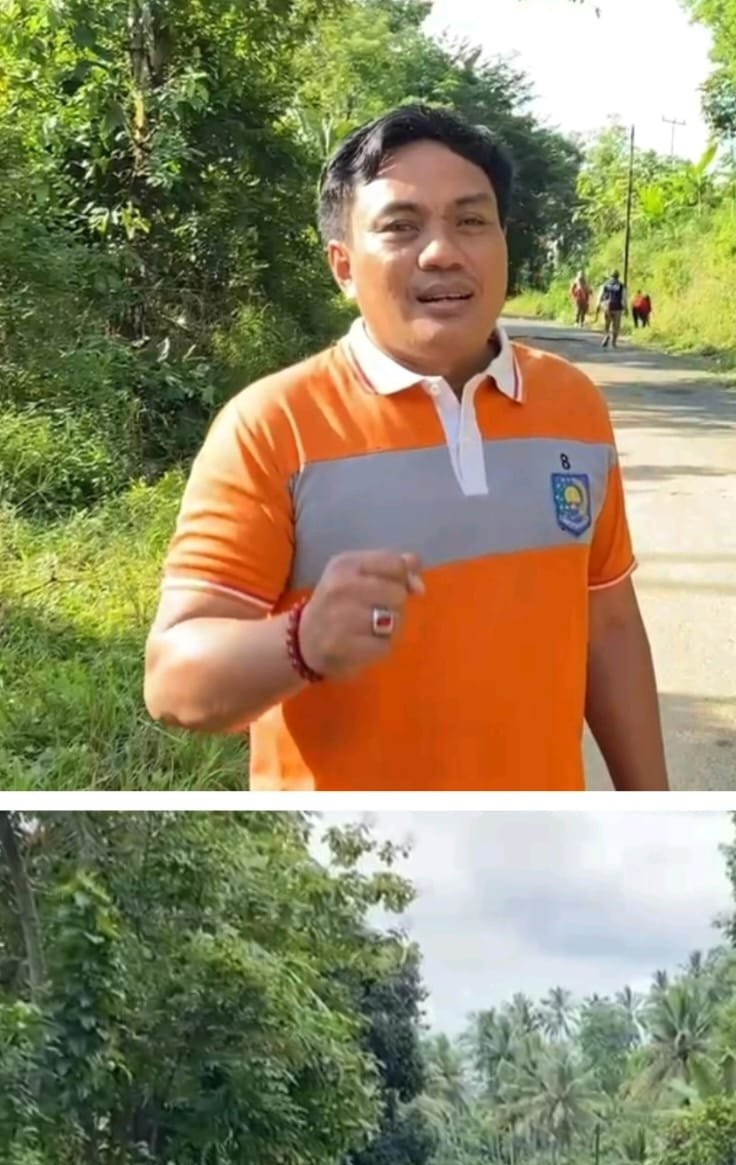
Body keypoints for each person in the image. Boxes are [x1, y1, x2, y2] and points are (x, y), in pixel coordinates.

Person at [146, 103, 667, 794]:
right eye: (400, 226)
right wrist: (299, 642)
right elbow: (174, 681)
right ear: (342, 265)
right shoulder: (272, 426)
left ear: (504, 244)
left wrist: (649, 806)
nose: (441, 251)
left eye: (471, 220)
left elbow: (608, 625)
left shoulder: (572, 406)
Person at [599, 273, 627, 349]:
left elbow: (601, 295)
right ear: (618, 276)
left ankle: (606, 336)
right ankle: (613, 342)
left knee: (607, 323)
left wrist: (599, 305)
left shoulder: (605, 285)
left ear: (611, 276)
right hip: (617, 307)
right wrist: (626, 308)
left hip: (607, 306)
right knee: (616, 326)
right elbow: (624, 298)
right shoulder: (621, 286)